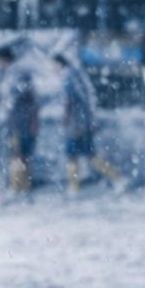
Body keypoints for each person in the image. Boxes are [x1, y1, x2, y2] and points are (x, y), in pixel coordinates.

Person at [52, 51, 124, 194]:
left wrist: (65, 118)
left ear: (59, 63)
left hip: (74, 124)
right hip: (83, 123)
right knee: (91, 155)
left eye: (53, 65)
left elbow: (68, 101)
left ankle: (74, 187)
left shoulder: (67, 76)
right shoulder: (76, 75)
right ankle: (117, 177)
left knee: (72, 156)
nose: (52, 68)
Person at [0, 43, 40, 196]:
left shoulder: (15, 75)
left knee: (17, 155)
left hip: (18, 122)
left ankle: (16, 187)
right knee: (23, 155)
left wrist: (10, 116)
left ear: (4, 59)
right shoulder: (17, 74)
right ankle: (24, 187)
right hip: (23, 121)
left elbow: (15, 101)